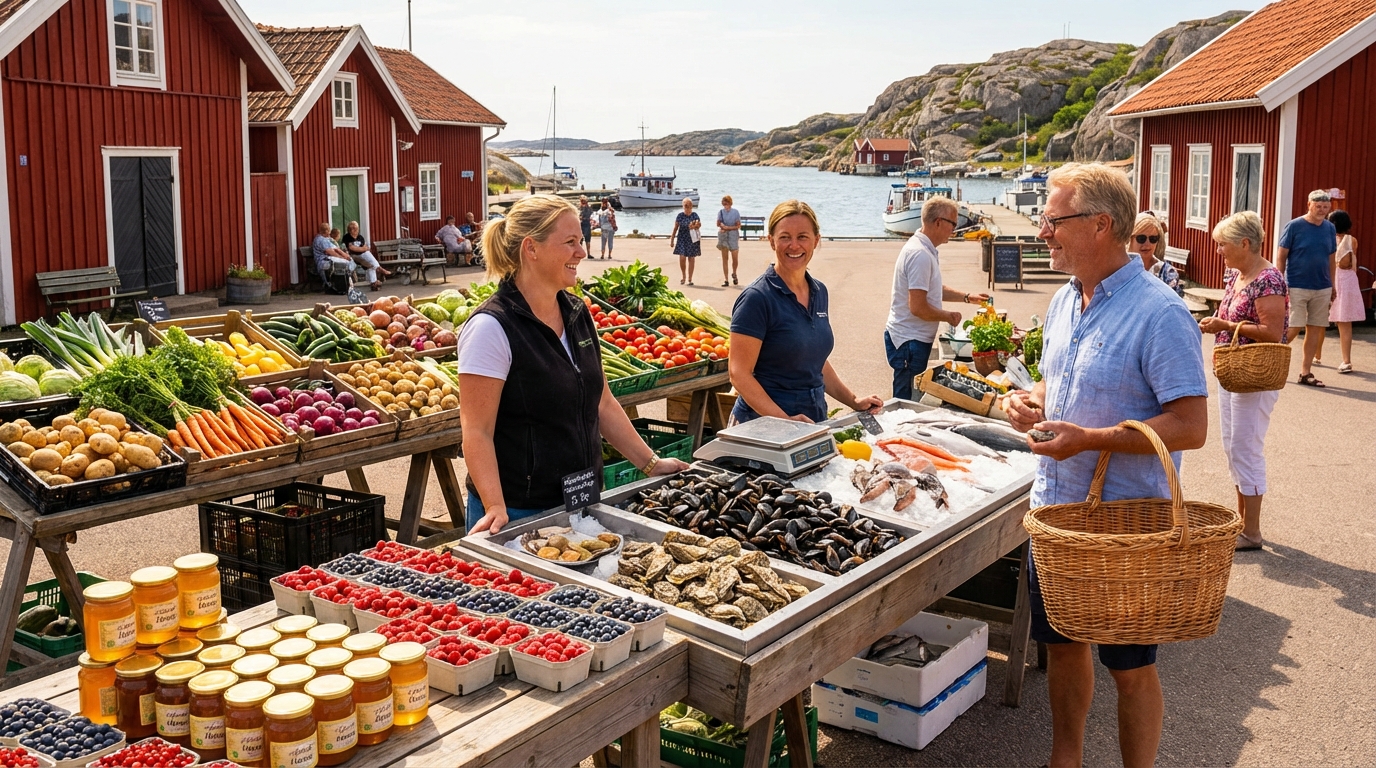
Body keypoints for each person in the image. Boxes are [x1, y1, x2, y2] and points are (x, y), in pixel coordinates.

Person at [1003, 163, 1208, 768]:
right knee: (1063, 647)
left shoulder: (1160, 311)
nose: (1043, 233)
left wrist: (1087, 438)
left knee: (1131, 666)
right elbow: (1059, 385)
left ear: (1101, 225)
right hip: (1057, 514)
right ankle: (1065, 760)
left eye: (1053, 220)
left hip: (1123, 523)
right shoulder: (1066, 300)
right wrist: (1030, 401)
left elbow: (1190, 428)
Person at [457, 194, 689, 534]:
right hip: (519, 512)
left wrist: (650, 464)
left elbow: (602, 401)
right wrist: (495, 506)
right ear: (531, 248)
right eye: (569, 242)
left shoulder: (577, 313)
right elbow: (477, 431)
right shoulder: (491, 327)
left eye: (581, 240)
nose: (581, 252)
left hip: (581, 499)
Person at [729, 200, 884, 424]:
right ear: (771, 241)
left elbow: (814, 361)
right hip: (760, 424)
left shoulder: (819, 292)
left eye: (802, 236)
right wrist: (786, 422)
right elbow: (739, 374)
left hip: (811, 417)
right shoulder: (757, 298)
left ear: (816, 241)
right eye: (784, 237)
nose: (794, 245)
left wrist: (854, 400)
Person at [1197, 211, 1288, 552]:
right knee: (1231, 445)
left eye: (1223, 244)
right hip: (1232, 371)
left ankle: (1252, 531)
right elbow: (1231, 315)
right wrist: (1216, 321)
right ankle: (1242, 521)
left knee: (1245, 448)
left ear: (1245, 243)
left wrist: (1225, 328)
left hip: (1256, 375)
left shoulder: (1269, 280)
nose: (1218, 250)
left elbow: (1273, 333)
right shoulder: (1237, 275)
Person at [884, 196, 990, 400]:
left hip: (911, 338)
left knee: (911, 396)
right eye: (953, 222)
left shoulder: (924, 249)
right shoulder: (920, 254)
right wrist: (948, 316)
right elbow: (918, 307)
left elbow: (931, 289)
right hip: (909, 340)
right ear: (938, 222)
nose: (955, 227)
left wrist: (967, 297)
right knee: (906, 401)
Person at [1275, 190, 1337, 387]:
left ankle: (1305, 372)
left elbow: (1331, 259)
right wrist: (1280, 281)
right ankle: (1268, 361)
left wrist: (1333, 284)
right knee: (1294, 327)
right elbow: (1281, 255)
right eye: (1318, 206)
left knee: (1316, 329)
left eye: (1325, 207)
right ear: (1309, 204)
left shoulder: (1329, 228)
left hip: (1322, 285)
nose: (1321, 210)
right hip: (1297, 284)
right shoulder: (1294, 226)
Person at [1328, 209, 1362, 373]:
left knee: (1317, 318)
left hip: (1332, 276)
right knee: (1345, 322)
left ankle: (1316, 356)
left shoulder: (1327, 238)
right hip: (1348, 280)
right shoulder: (1352, 240)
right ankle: (1346, 360)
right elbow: (1350, 261)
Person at [1132, 212, 1182, 297]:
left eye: (1153, 239)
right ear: (1130, 238)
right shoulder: (1117, 268)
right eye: (1141, 238)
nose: (1147, 244)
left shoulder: (1167, 273)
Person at [339, 220, 389, 290]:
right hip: (353, 256)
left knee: (370, 261)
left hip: (362, 254)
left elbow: (366, 248)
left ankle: (374, 281)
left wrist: (361, 249)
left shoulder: (360, 237)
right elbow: (351, 248)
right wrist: (362, 249)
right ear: (349, 230)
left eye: (356, 228)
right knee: (369, 260)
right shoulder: (347, 237)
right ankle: (378, 272)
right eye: (353, 229)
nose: (355, 230)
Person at [311, 223, 354, 289]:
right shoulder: (320, 240)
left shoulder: (326, 239)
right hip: (323, 261)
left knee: (349, 261)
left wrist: (346, 256)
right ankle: (338, 284)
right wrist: (342, 257)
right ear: (326, 231)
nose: (329, 232)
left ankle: (345, 283)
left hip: (328, 259)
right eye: (328, 230)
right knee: (344, 263)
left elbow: (337, 249)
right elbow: (330, 252)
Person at [670, 197, 701, 285]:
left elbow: (699, 225)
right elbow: (675, 228)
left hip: (692, 239)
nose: (687, 207)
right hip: (682, 239)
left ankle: (690, 278)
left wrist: (694, 226)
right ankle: (683, 276)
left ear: (691, 206)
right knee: (682, 257)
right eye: (685, 206)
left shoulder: (694, 215)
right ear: (683, 206)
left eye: (689, 205)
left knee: (691, 258)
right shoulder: (680, 215)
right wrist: (672, 239)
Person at [716, 196, 742, 287]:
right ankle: (726, 279)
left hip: (733, 235)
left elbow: (738, 225)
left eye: (726, 203)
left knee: (735, 258)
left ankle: (734, 273)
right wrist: (722, 226)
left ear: (730, 203)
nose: (725, 205)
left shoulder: (735, 212)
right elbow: (718, 223)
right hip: (724, 236)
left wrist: (729, 228)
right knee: (725, 259)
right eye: (723, 204)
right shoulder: (721, 212)